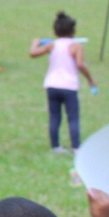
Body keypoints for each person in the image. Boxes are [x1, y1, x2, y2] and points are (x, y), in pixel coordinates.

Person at [29, 11, 96, 153]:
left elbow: (33, 54)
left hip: (52, 85)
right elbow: (80, 64)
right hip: (69, 86)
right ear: (74, 31)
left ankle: (55, 146)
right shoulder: (76, 46)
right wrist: (90, 79)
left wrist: (34, 44)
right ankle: (76, 147)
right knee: (73, 117)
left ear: (54, 31)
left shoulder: (52, 45)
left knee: (54, 117)